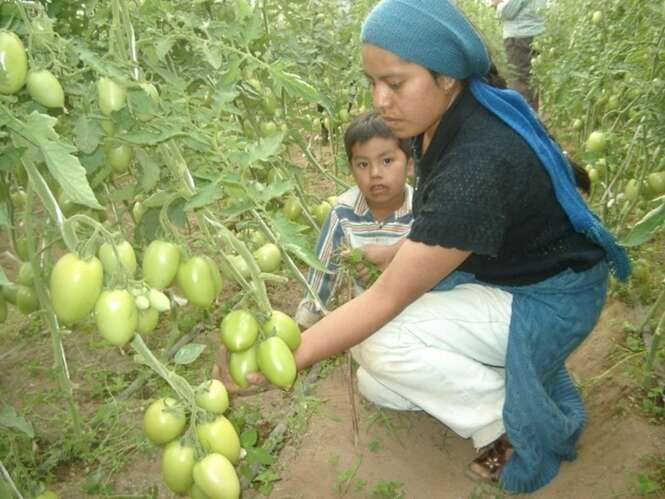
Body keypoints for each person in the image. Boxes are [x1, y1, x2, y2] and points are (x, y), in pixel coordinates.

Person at [214, 0, 630, 493]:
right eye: (373, 82)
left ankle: (515, 422)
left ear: (447, 77)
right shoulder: (443, 120)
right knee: (377, 383)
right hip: (508, 275)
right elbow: (441, 234)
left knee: (380, 340)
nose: (381, 101)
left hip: (548, 299)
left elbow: (388, 299)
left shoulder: (478, 162)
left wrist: (284, 357)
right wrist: (398, 255)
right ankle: (517, 377)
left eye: (395, 83)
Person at [294, 111, 414, 329]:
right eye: (362, 164)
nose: (375, 173)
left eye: (387, 161)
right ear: (351, 169)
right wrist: (301, 327)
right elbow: (322, 276)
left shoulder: (424, 210)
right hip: (366, 324)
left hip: (419, 316)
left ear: (411, 164)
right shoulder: (342, 214)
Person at [493, 0, 546, 110]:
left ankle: (525, 123)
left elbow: (507, 11)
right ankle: (533, 121)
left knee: (521, 85)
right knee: (533, 83)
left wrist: (500, 5)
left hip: (520, 36)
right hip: (538, 34)